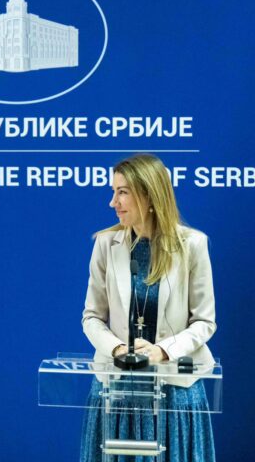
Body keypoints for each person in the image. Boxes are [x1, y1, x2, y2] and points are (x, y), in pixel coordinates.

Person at [79, 154, 216, 462]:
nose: (112, 202)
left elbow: (204, 322)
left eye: (122, 192)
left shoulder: (193, 245)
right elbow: (91, 317)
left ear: (149, 195)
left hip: (174, 391)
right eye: (113, 192)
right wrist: (118, 349)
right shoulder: (105, 244)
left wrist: (162, 351)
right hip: (116, 390)